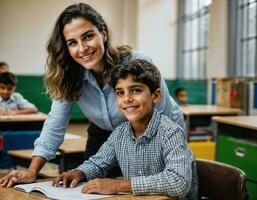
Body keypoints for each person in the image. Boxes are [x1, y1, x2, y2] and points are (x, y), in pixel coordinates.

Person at [0, 2, 184, 187]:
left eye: (87, 37)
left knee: (147, 181)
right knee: (90, 181)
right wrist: (32, 172)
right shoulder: (69, 76)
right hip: (106, 130)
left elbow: (161, 118)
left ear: (103, 33)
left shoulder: (137, 64)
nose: (82, 48)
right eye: (72, 43)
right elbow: (55, 125)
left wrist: (125, 184)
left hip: (155, 127)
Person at [53, 59, 198, 199]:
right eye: (120, 93)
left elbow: (178, 181)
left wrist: (119, 185)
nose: (127, 99)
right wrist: (79, 172)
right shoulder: (120, 133)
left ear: (156, 95)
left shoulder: (171, 132)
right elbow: (98, 162)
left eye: (135, 90)